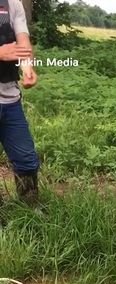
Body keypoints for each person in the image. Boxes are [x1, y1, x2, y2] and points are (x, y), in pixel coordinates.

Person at [0, 0, 39, 203]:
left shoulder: (12, 3)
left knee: (26, 160)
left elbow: (23, 42)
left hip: (10, 99)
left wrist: (27, 69)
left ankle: (29, 208)